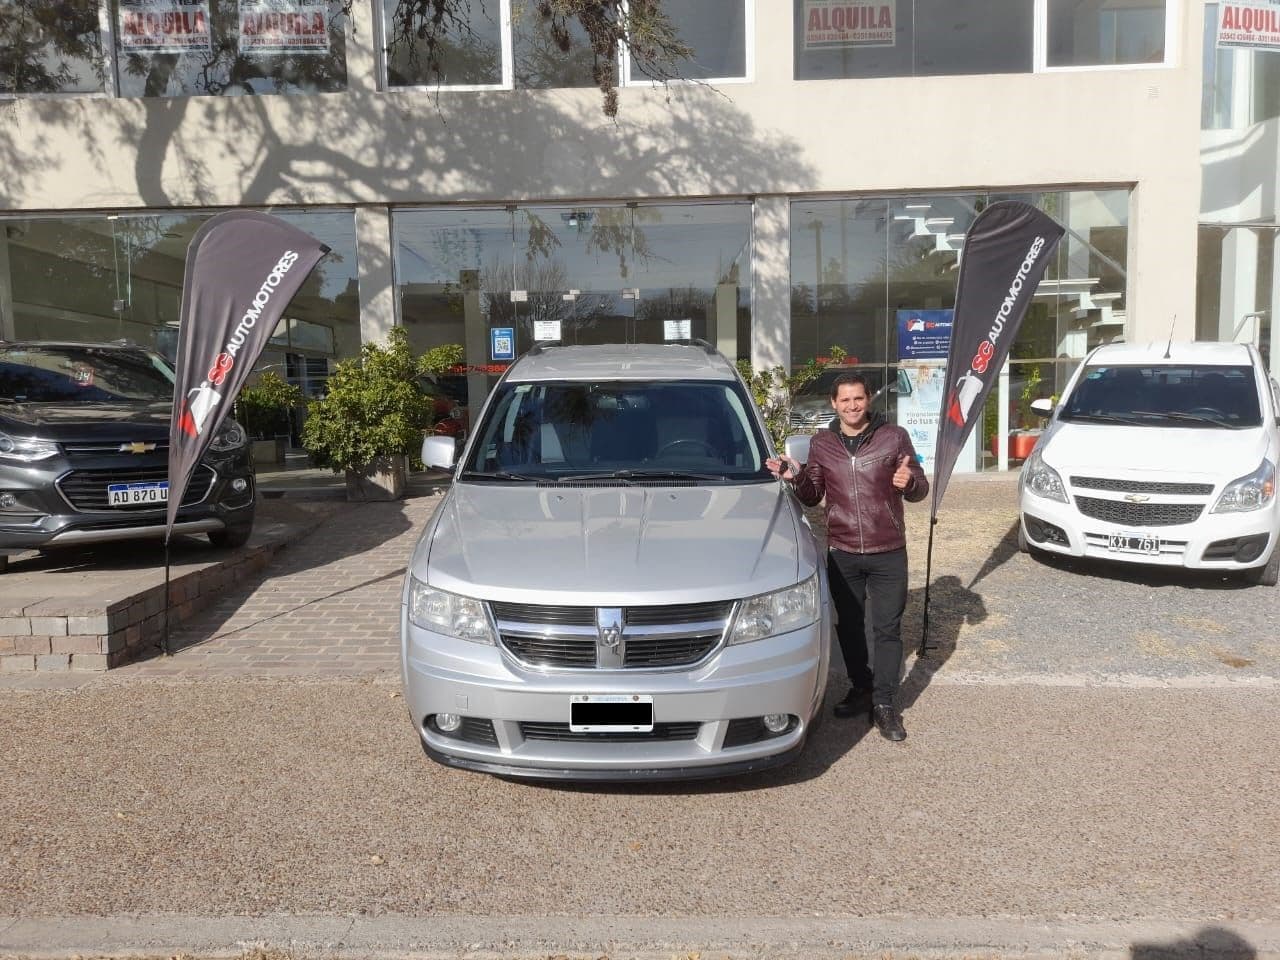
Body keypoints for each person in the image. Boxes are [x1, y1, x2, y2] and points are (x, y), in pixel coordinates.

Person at [766, 372, 928, 741]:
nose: (852, 405)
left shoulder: (893, 436)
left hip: (888, 549)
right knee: (849, 626)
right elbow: (812, 495)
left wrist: (911, 483)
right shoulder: (822, 443)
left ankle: (885, 704)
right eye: (845, 400)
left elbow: (918, 487)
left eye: (858, 398)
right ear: (833, 403)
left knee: (887, 629)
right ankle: (861, 687)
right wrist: (795, 475)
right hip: (843, 551)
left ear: (868, 399)